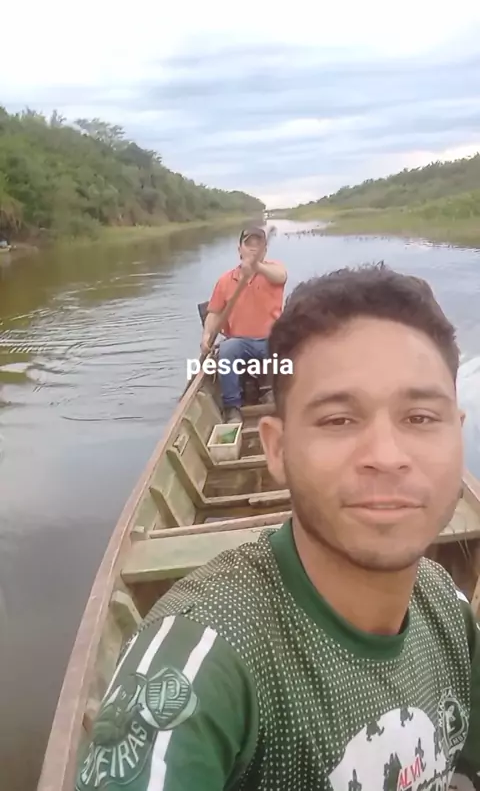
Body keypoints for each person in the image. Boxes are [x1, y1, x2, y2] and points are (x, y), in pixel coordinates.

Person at [75, 263, 480, 791]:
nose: (386, 456)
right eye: (338, 420)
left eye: (421, 417)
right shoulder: (204, 658)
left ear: (457, 432)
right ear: (276, 448)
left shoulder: (446, 606)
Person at [200, 225, 287, 421]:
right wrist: (206, 336)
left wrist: (256, 266)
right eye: (248, 244)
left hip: (271, 340)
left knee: (290, 349)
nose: (253, 248)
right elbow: (214, 313)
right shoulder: (225, 280)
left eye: (258, 244)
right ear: (240, 249)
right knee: (227, 350)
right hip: (240, 342)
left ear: (265, 250)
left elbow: (281, 276)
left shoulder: (274, 270)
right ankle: (232, 407)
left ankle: (277, 395)